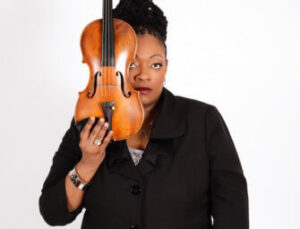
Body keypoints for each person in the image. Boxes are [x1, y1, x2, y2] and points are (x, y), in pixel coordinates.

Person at [39, 0, 249, 228]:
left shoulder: (204, 121)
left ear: (166, 67)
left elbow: (233, 215)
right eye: (131, 64)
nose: (144, 75)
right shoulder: (90, 118)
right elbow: (53, 213)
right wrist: (88, 165)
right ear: (114, 66)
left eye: (155, 65)